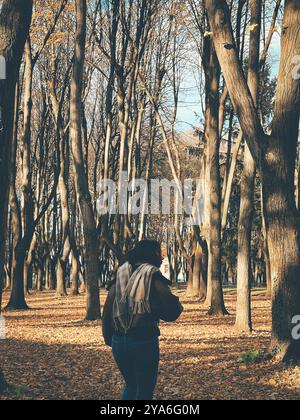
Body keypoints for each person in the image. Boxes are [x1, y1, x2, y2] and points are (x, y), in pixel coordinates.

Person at [102, 240, 183, 401]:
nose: (161, 258)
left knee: (131, 386)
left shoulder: (121, 273)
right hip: (143, 341)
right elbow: (171, 308)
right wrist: (177, 306)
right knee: (144, 392)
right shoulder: (152, 274)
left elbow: (107, 308)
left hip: (119, 341)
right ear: (152, 254)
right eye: (159, 253)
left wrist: (109, 338)